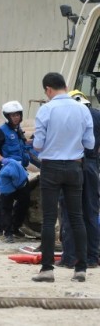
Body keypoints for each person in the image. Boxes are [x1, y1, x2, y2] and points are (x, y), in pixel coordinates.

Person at [32, 72, 94, 283]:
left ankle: (47, 269)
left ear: (48, 89)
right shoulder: (82, 110)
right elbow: (90, 144)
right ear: (65, 86)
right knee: (77, 217)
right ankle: (81, 268)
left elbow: (38, 144)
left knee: (49, 219)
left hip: (51, 167)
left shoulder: (46, 110)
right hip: (75, 167)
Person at [58, 90, 100, 269]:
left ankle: (69, 257)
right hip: (91, 166)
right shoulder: (97, 115)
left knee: (70, 213)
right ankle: (92, 257)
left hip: (71, 164)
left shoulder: (66, 115)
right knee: (90, 212)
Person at [0, 101, 31, 243]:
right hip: (7, 171)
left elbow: (23, 147)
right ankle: (8, 232)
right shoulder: (1, 131)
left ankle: (16, 226)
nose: (16, 117)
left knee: (24, 199)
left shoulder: (19, 131)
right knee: (6, 203)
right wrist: (2, 160)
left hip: (21, 171)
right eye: (13, 115)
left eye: (18, 114)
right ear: (7, 116)